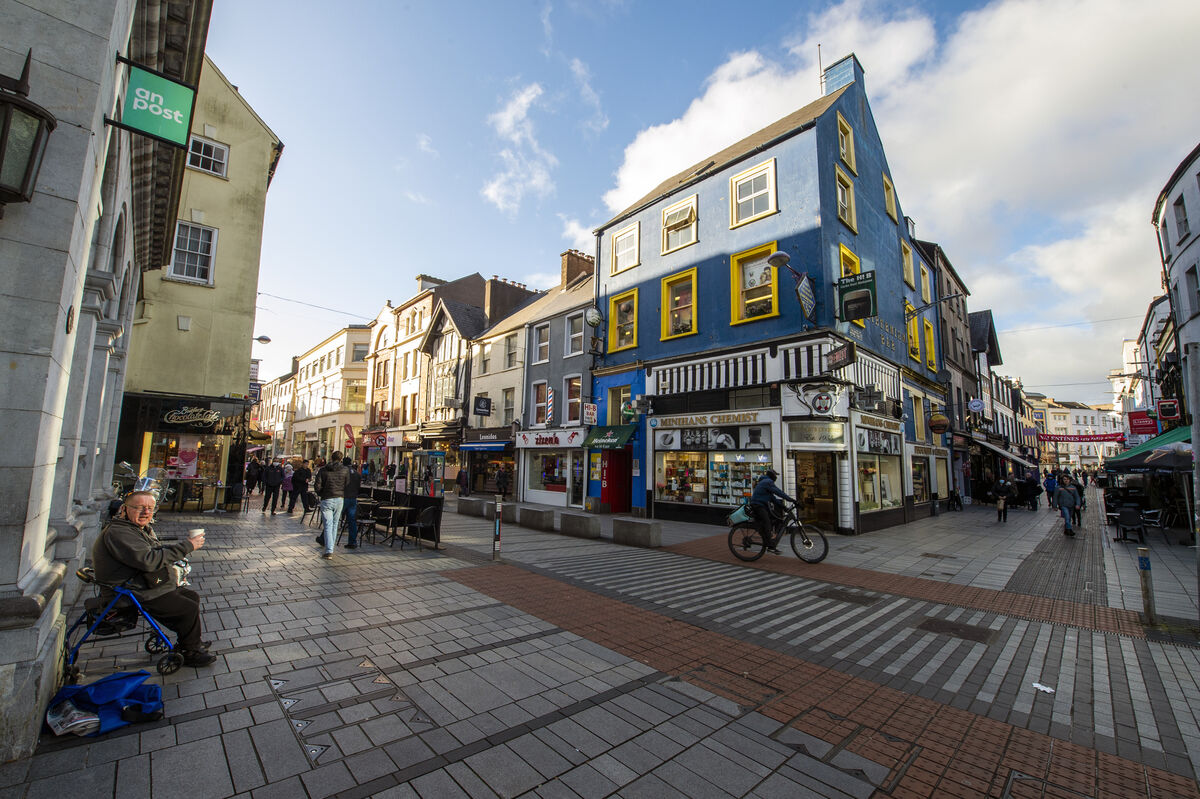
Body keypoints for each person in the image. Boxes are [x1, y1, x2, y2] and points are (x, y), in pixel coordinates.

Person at [91, 491, 215, 666]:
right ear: (124, 509)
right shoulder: (119, 532)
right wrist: (187, 546)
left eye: (150, 508)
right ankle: (190, 652)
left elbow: (152, 553)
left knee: (191, 597)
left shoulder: (135, 529)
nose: (146, 512)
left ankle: (190, 641)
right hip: (129, 590)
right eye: (139, 507)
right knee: (187, 607)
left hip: (141, 583)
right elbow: (148, 560)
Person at [748, 469, 794, 554]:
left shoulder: (765, 482)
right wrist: (791, 500)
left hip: (761, 505)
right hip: (758, 505)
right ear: (772, 475)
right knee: (767, 522)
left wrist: (784, 507)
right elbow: (778, 492)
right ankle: (770, 545)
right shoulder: (767, 482)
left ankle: (767, 536)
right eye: (775, 475)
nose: (776, 477)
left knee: (774, 518)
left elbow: (773, 498)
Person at [314, 452, 349, 559]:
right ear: (341, 459)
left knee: (328, 525)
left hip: (327, 499)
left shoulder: (323, 470)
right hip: (339, 499)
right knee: (334, 524)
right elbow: (347, 484)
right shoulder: (345, 470)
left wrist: (323, 493)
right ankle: (330, 548)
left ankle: (329, 550)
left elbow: (317, 486)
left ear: (331, 458)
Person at [342, 461, 362, 549]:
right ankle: (352, 541)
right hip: (353, 498)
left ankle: (324, 539)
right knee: (352, 521)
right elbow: (359, 486)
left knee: (334, 518)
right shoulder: (357, 474)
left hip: (344, 497)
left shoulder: (343, 472)